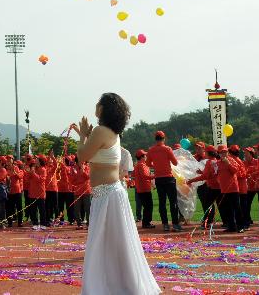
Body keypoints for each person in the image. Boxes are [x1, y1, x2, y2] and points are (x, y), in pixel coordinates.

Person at [74, 92, 160, 294]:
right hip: (108, 193)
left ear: (103, 109)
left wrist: (82, 136)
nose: (96, 106)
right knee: (113, 244)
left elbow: (82, 157)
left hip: (108, 195)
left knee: (104, 244)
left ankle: (107, 287)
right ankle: (115, 286)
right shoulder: (109, 131)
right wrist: (86, 136)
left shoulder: (101, 131)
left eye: (98, 103)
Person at [146, 130, 182, 232]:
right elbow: (175, 163)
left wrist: (157, 165)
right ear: (164, 138)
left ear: (155, 139)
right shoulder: (167, 149)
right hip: (169, 178)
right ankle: (175, 224)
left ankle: (165, 224)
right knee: (173, 202)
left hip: (159, 179)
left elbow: (148, 164)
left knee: (162, 202)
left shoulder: (151, 150)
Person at [133, 150, 155, 229]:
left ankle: (147, 222)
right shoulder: (140, 165)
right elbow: (145, 176)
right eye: (145, 156)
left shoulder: (142, 165)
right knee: (148, 206)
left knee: (148, 206)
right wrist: (155, 176)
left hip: (144, 188)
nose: (146, 157)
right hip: (143, 189)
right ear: (142, 157)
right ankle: (146, 223)